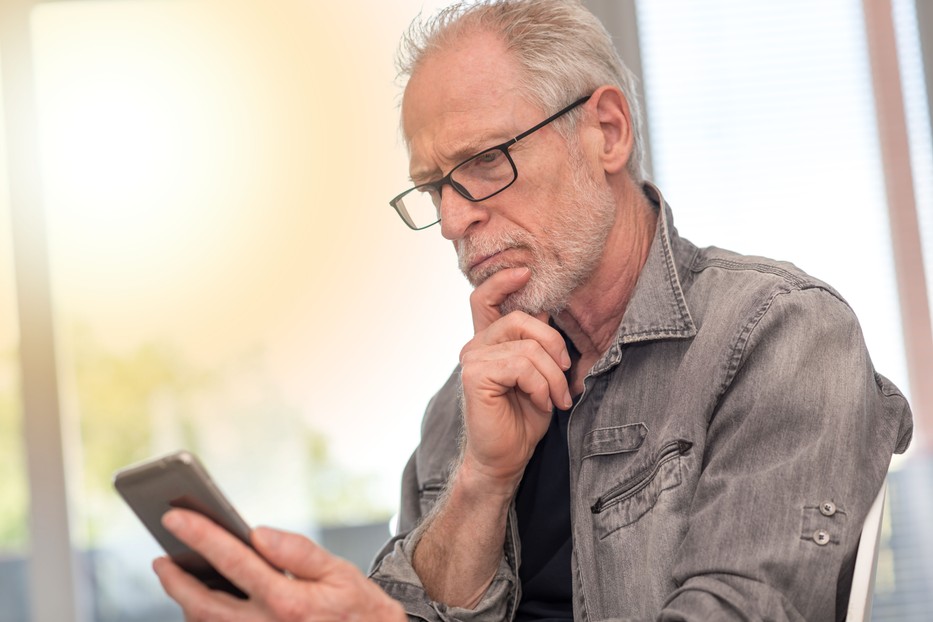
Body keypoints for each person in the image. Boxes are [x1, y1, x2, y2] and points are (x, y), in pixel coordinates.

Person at [154, 1, 914, 620]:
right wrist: (482, 479)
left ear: (605, 131)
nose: (453, 220)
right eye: (433, 188)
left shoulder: (778, 333)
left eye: (485, 161)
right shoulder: (458, 412)